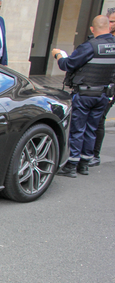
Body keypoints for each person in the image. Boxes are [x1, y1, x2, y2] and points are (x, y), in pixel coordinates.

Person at [52, 15, 115, 177]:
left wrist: (58, 55)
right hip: (103, 95)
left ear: (92, 29)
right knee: (91, 129)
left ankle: (71, 165)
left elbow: (68, 64)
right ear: (108, 27)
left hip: (85, 94)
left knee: (77, 129)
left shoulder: (90, 46)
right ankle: (84, 164)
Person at [90, 7, 115, 167]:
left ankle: (95, 155)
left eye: (112, 21)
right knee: (92, 119)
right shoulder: (104, 38)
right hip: (97, 85)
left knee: (99, 120)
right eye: (109, 20)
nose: (110, 24)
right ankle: (86, 153)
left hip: (110, 87)